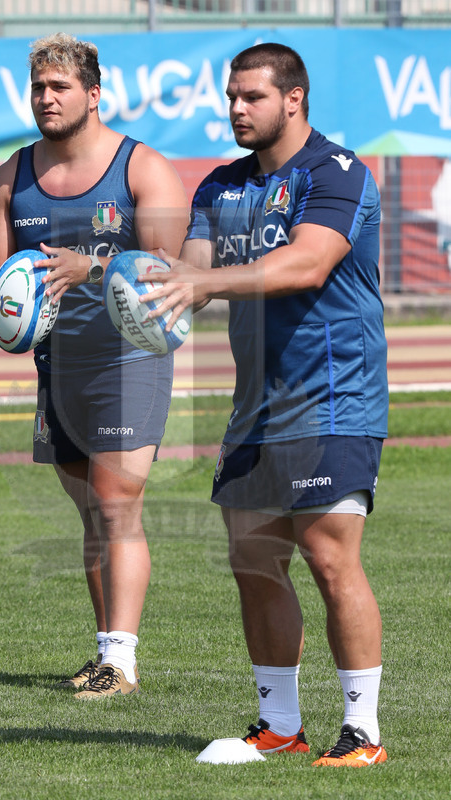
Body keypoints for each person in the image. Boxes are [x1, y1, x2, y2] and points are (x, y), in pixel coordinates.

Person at [140, 43, 389, 765]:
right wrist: (120, 281)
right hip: (257, 407)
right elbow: (190, 271)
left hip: (334, 395)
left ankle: (363, 733)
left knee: (327, 555)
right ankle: (279, 725)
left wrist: (205, 284)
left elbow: (306, 262)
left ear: (294, 99)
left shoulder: (336, 173)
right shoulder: (220, 186)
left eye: (252, 96)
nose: (237, 109)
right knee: (253, 559)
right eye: (232, 96)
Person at [0, 33, 189, 699]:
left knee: (116, 502)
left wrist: (90, 267)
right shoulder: (12, 175)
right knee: (91, 511)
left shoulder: (142, 169)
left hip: (131, 358)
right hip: (55, 366)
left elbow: (169, 274)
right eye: (38, 88)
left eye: (60, 86)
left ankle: (121, 663)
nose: (46, 98)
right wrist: (4, 302)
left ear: (93, 94)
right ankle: (104, 651)